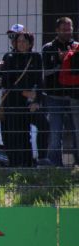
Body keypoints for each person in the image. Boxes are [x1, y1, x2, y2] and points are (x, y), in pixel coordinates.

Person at [0, 31, 44, 167]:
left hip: (29, 103)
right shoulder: (9, 57)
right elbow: (4, 81)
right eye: (19, 41)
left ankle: (31, 164)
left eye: (24, 41)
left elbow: (40, 81)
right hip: (12, 102)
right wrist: (23, 92)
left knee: (28, 133)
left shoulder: (35, 57)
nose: (21, 44)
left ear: (30, 43)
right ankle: (14, 165)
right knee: (13, 135)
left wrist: (37, 101)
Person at [42, 17, 78, 166]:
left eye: (69, 29)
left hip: (74, 97)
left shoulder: (76, 47)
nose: (67, 32)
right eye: (64, 29)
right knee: (55, 132)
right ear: (57, 30)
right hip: (53, 96)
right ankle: (54, 165)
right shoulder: (48, 48)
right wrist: (60, 63)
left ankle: (76, 164)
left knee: (76, 131)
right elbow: (45, 72)